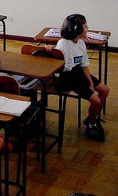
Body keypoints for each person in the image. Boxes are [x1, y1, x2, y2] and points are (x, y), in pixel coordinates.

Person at [46, 14, 109, 142]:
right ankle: (91, 125)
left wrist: (90, 82)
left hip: (79, 73)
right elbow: (57, 62)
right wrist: (51, 48)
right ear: (76, 29)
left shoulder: (80, 43)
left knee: (105, 90)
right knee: (96, 101)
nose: (88, 28)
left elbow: (84, 66)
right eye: (85, 26)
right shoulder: (63, 44)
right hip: (69, 78)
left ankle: (91, 117)